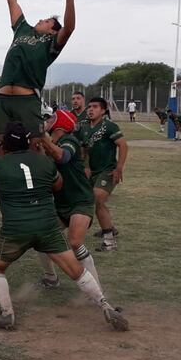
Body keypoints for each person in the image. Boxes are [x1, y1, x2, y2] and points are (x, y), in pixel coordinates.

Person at [0, 122, 128, 332]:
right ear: (29, 142)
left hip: (16, 228)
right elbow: (58, 184)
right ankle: (105, 305)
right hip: (47, 225)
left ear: (4, 144)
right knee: (76, 270)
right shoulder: (44, 162)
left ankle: (7, 313)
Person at [0, 0, 77, 142]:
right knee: (0, 144)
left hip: (26, 100)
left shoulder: (51, 43)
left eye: (46, 21)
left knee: (34, 144)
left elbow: (69, 28)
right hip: (2, 99)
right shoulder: (22, 29)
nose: (40, 20)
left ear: (53, 31)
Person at [37, 110, 102, 288]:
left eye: (51, 118)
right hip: (61, 203)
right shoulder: (52, 143)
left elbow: (62, 157)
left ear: (60, 123)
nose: (47, 121)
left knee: (74, 241)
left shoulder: (68, 140)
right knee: (41, 237)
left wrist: (42, 138)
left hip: (81, 200)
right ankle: (51, 278)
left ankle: (97, 290)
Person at [80, 97, 128, 251]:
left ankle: (109, 241)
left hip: (108, 170)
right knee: (87, 199)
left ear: (103, 110)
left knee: (97, 199)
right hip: (92, 172)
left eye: (95, 107)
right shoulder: (84, 127)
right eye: (89, 107)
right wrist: (85, 166)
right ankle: (109, 228)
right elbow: (84, 150)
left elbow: (123, 145)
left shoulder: (110, 126)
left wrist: (119, 168)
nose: (90, 110)